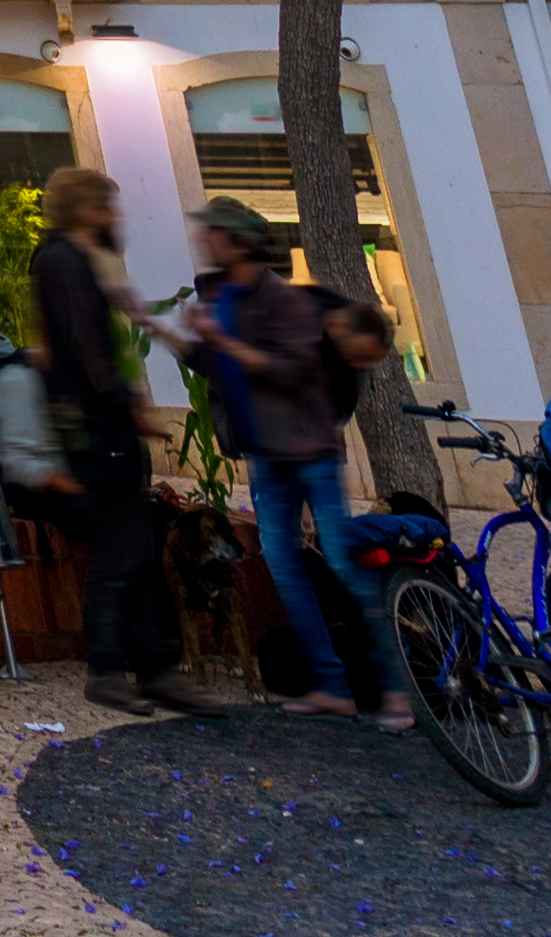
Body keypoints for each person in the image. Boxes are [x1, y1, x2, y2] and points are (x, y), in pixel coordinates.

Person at [173, 195, 411, 729]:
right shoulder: (221, 296)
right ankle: (331, 686)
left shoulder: (281, 297)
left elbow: (292, 368)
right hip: (264, 452)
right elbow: (214, 365)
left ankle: (396, 693)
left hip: (305, 450)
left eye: (214, 233)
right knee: (285, 567)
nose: (205, 240)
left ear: (237, 241)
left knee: (341, 562)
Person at [26, 166, 214, 716]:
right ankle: (118, 671)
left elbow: (115, 323)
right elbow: (87, 345)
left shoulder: (80, 259)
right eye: (106, 205)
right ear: (85, 208)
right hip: (94, 426)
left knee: (129, 550)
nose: (115, 215)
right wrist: (128, 409)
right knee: (119, 552)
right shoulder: (64, 261)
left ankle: (145, 669)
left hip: (98, 422)